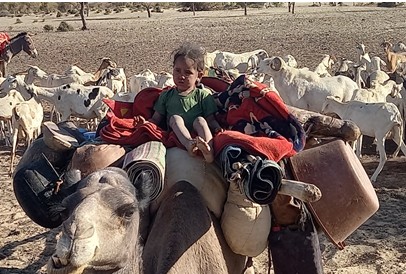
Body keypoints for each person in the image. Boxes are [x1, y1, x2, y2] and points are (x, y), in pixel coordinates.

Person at [149, 42, 222, 163]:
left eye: (187, 73)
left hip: (197, 133)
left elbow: (210, 120)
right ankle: (189, 144)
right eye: (177, 70)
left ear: (199, 75)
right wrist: (146, 124)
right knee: (175, 119)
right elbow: (156, 119)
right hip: (178, 135)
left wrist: (217, 128)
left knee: (200, 120)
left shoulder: (203, 96)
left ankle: (208, 149)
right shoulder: (166, 96)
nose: (181, 76)